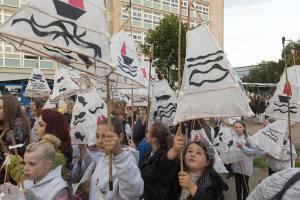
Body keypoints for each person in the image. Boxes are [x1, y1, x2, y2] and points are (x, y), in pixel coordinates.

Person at [76, 117, 143, 200]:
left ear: (120, 137)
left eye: (105, 136)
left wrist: (119, 154)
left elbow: (133, 192)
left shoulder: (127, 161)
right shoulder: (104, 155)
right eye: (97, 136)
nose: (99, 141)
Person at [168, 134, 228, 200]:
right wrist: (174, 150)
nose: (193, 155)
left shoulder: (212, 182)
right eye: (190, 151)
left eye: (198, 153)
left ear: (207, 162)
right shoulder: (178, 171)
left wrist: (192, 187)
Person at [23, 134, 72, 200]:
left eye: (32, 164)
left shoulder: (59, 188)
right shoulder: (26, 183)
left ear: (48, 164)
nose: (25, 168)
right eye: (25, 163)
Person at [139, 122, 179, 200]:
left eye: (148, 132)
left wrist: (174, 150)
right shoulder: (150, 151)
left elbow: (162, 162)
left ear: (154, 138)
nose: (146, 134)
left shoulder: (164, 155)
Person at [0, 94, 30, 182]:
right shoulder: (9, 124)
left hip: (12, 178)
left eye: (0, 107)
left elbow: (9, 157)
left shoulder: (18, 127)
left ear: (9, 109)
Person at [35, 109, 73, 176]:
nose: (36, 128)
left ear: (52, 128)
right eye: (37, 124)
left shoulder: (55, 155)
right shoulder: (45, 148)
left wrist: (14, 161)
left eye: (41, 125)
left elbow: (35, 179)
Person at [232, 120, 257, 200]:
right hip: (236, 165)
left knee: (245, 184)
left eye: (240, 127)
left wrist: (243, 147)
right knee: (237, 185)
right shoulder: (232, 138)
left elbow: (254, 151)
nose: (237, 129)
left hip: (245, 166)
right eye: (235, 127)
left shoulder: (248, 139)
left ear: (244, 128)